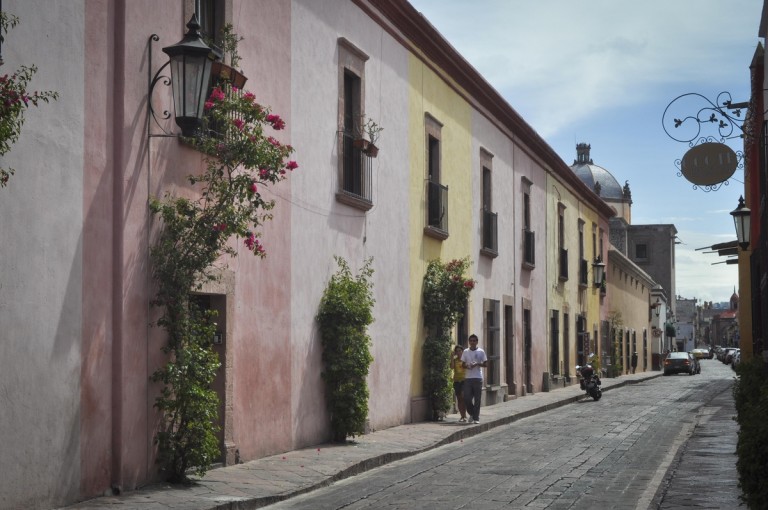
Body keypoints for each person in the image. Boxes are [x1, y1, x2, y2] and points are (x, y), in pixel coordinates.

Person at [461, 334, 487, 424]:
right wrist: (467, 366)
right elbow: (462, 364)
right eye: (471, 341)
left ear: (477, 342)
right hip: (468, 378)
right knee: (466, 398)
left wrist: (477, 364)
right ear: (469, 342)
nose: (472, 342)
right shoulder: (465, 351)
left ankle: (476, 418)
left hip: (478, 377)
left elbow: (486, 364)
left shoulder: (481, 351)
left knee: (477, 399)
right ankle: (472, 413)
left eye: (474, 341)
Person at [451, 345, 467, 422]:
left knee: (463, 397)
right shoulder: (455, 360)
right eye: (457, 351)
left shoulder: (465, 360)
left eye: (460, 351)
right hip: (457, 381)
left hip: (465, 381)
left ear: (462, 351)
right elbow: (451, 367)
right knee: (459, 399)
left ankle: (465, 414)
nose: (458, 352)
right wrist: (451, 357)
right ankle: (462, 416)